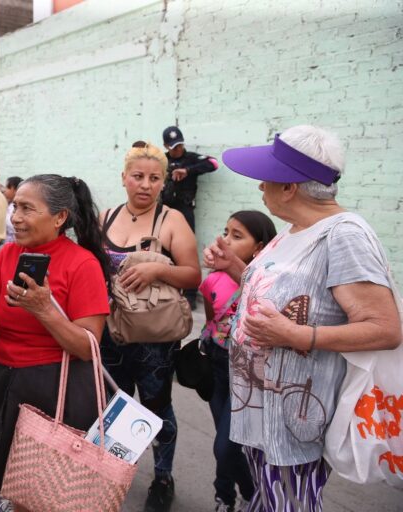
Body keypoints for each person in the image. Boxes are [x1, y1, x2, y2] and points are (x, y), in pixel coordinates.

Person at [204, 125, 401, 512]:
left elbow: (385, 327)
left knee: (291, 504)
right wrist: (236, 268)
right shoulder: (292, 231)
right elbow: (286, 292)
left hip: (294, 421)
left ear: (289, 185)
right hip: (261, 411)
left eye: (266, 180)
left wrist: (297, 335)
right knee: (270, 499)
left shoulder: (344, 235)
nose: (261, 188)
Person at [0, 174, 111, 512]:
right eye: (15, 207)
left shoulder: (82, 264)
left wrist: (44, 309)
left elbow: (88, 346)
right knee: (8, 474)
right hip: (1, 377)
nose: (15, 217)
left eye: (27, 209)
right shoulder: (8, 254)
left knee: (39, 488)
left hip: (51, 388)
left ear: (60, 218)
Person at [99, 141, 201, 512]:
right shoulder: (106, 217)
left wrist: (158, 268)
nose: (145, 184)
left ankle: (162, 477)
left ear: (162, 183)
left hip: (155, 339)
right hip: (111, 333)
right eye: (138, 176)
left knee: (157, 408)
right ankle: (117, 470)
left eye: (154, 178)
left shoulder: (171, 220)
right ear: (124, 178)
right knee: (116, 406)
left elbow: (193, 276)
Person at [199, 211, 276, 512]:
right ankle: (227, 497)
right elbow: (210, 314)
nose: (226, 241)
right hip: (219, 365)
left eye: (237, 235)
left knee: (225, 447)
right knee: (226, 444)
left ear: (258, 247)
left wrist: (237, 270)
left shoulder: (268, 280)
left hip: (248, 371)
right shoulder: (213, 279)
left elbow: (264, 305)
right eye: (226, 232)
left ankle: (246, 492)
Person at [161, 126, 218, 309]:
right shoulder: (162, 160)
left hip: (185, 209)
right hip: (166, 209)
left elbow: (214, 164)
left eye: (179, 145)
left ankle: (191, 295)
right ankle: (169, 288)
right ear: (166, 146)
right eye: (173, 147)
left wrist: (187, 170)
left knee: (187, 250)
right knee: (165, 249)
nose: (177, 150)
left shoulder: (191, 158)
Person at [3, 176, 22, 243]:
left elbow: (10, 225)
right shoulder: (9, 205)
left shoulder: (15, 208)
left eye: (8, 187)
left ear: (15, 190)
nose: (4, 190)